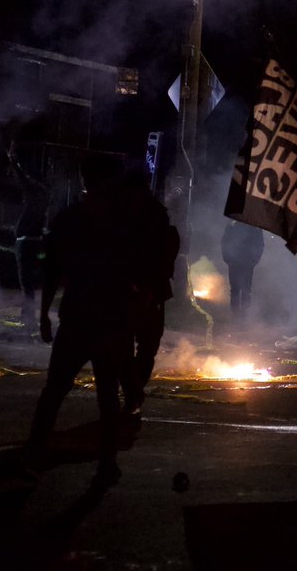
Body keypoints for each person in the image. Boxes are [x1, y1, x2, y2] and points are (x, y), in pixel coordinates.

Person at [21, 155, 141, 488]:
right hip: (108, 320)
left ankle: (35, 453)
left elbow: (52, 270)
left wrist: (45, 312)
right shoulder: (120, 221)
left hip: (77, 318)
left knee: (56, 390)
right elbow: (133, 271)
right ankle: (106, 463)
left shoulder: (69, 219)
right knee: (105, 394)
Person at [121, 169, 179, 418]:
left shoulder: (128, 213)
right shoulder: (149, 214)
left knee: (137, 345)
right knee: (141, 346)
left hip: (142, 290)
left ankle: (131, 394)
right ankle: (131, 394)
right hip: (141, 290)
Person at [7, 143, 49, 334]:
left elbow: (23, 181)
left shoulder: (36, 194)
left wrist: (14, 163)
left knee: (26, 282)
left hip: (26, 242)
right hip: (31, 241)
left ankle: (29, 319)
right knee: (28, 282)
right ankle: (27, 315)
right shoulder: (42, 194)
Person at [221, 219, 265, 319]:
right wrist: (227, 258)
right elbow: (225, 241)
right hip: (234, 261)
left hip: (247, 262)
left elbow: (260, 245)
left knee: (246, 289)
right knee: (235, 289)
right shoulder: (233, 224)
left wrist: (254, 260)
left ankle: (245, 314)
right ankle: (235, 314)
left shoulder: (255, 227)